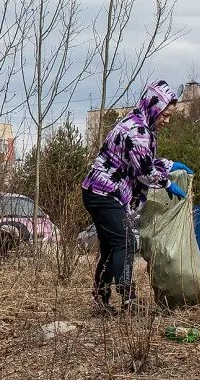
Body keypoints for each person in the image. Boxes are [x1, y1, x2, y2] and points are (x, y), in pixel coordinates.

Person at [82, 80, 193, 313]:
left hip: (100, 192)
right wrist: (167, 183)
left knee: (111, 247)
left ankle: (101, 300)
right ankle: (128, 299)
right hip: (104, 193)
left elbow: (141, 163)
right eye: (165, 114)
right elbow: (144, 172)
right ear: (154, 106)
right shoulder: (138, 132)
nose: (167, 120)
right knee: (125, 242)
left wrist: (171, 164)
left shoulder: (141, 125)